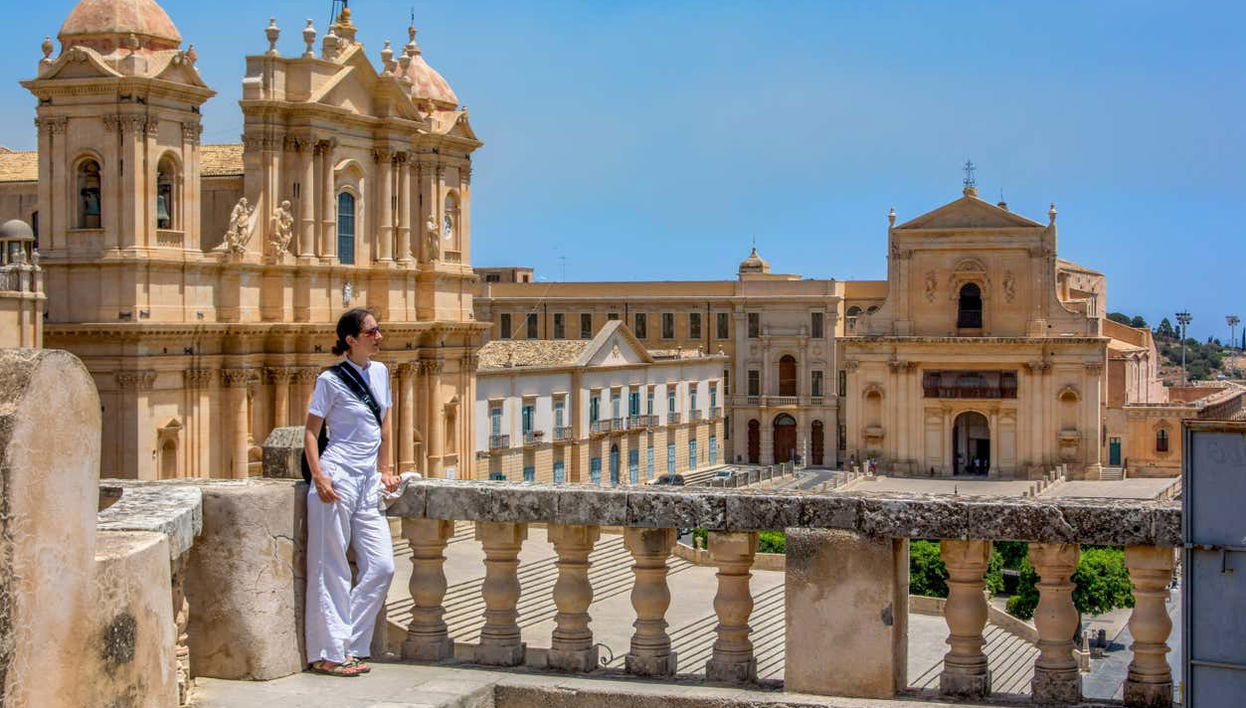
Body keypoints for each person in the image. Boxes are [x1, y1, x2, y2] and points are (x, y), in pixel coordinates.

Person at [303, 308, 400, 677]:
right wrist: (319, 476)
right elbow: (312, 432)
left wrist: (386, 469)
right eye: (372, 331)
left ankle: (351, 643)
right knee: (331, 566)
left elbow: (385, 423)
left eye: (378, 330)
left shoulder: (380, 372)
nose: (379, 335)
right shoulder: (329, 380)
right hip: (337, 477)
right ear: (351, 340)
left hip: (367, 481)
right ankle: (329, 652)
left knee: (381, 567)